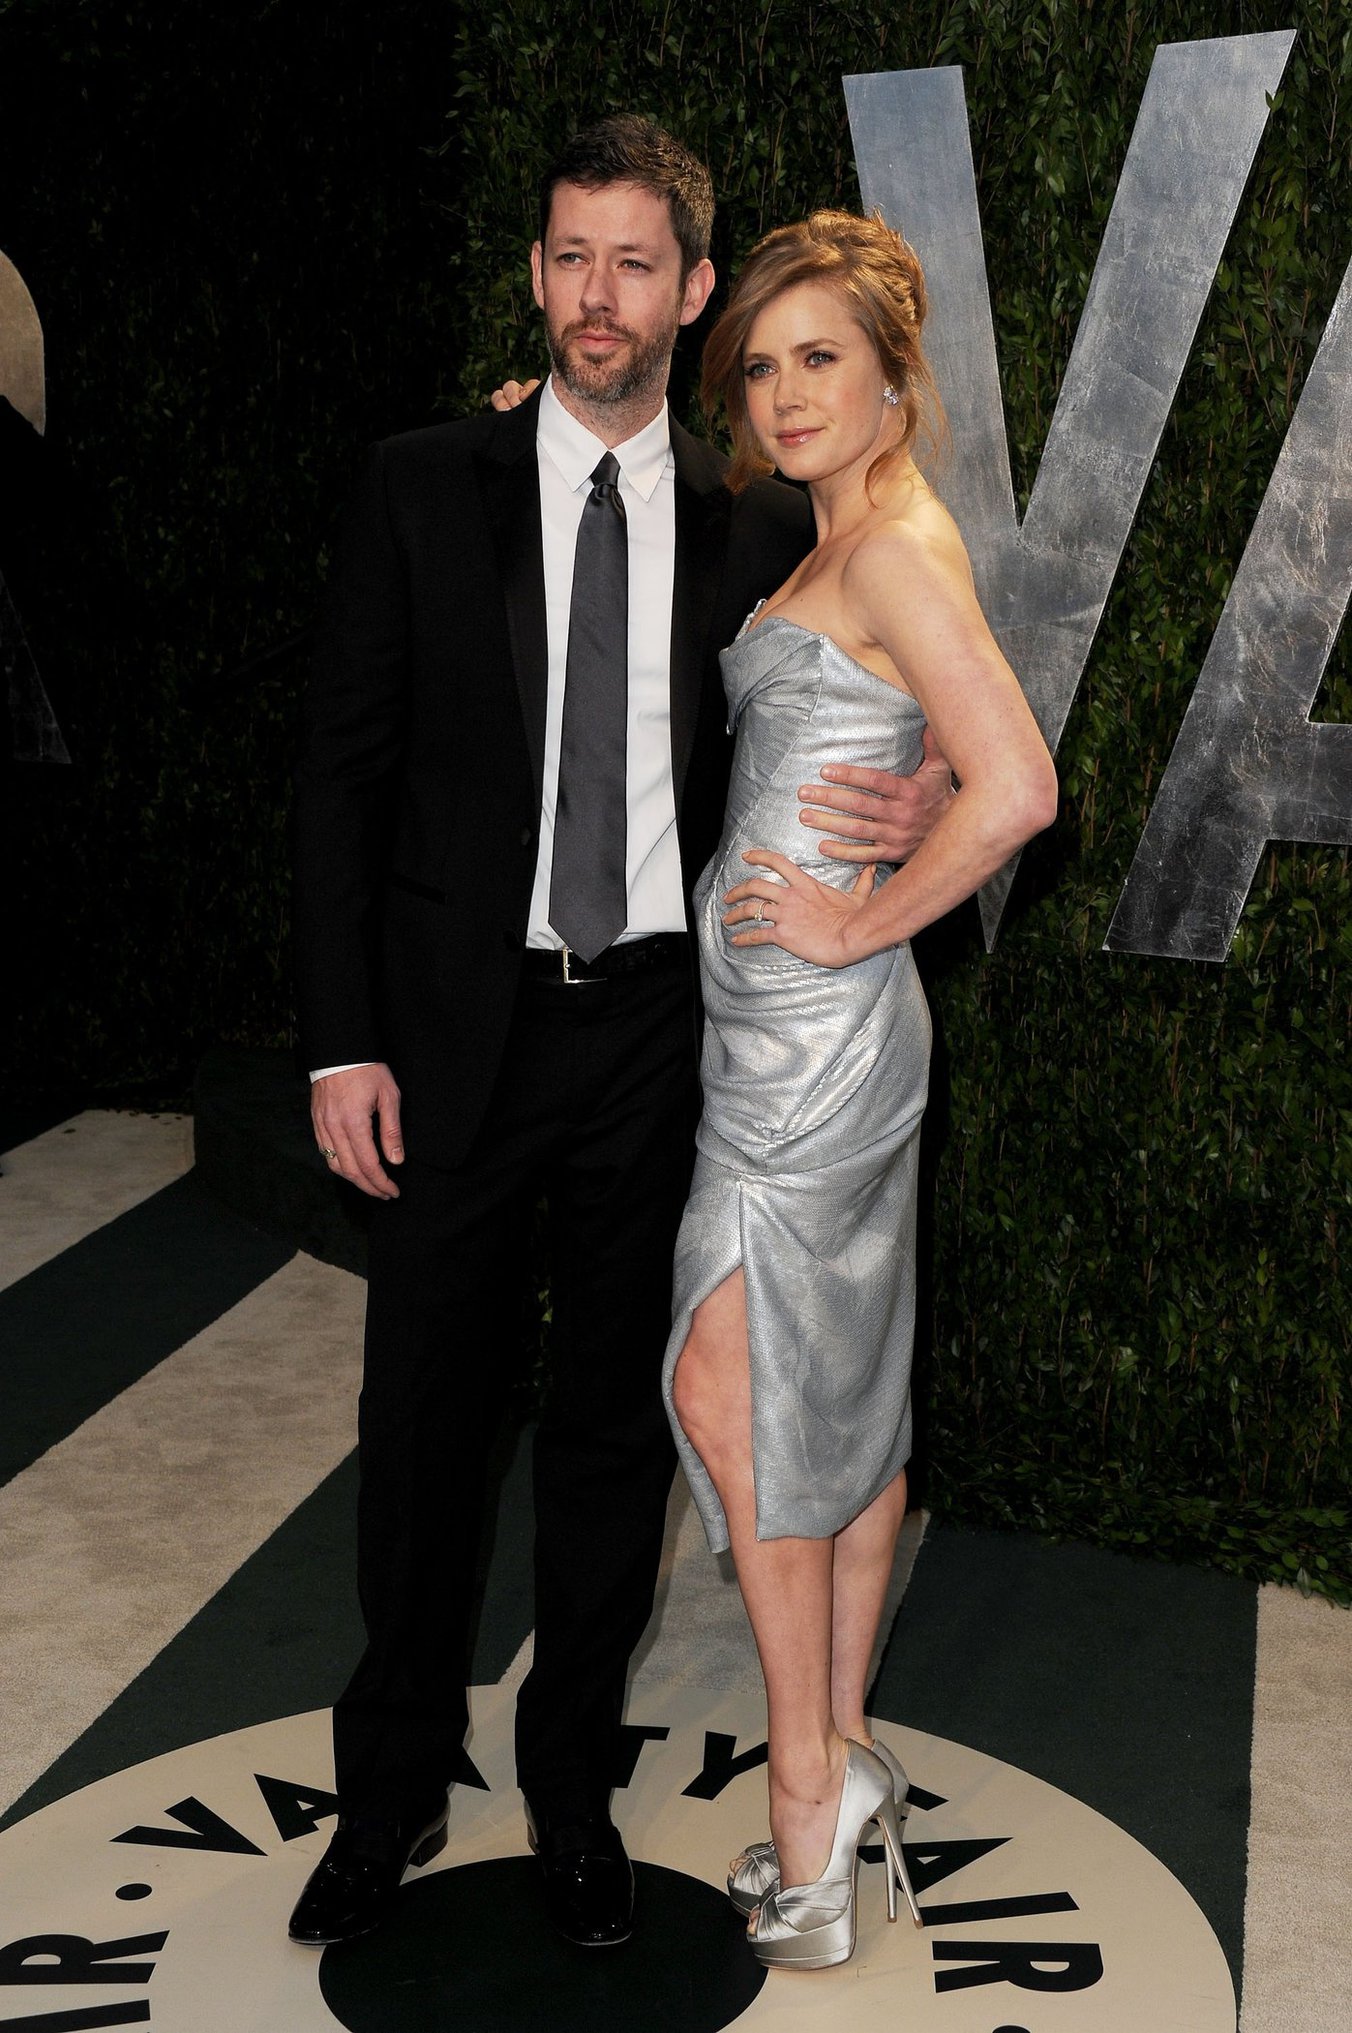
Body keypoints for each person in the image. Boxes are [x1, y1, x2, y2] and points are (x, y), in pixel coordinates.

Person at [288, 121, 953, 1953]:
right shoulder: (425, 482)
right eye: (570, 258)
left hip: (664, 1037)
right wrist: (341, 1038)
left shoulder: (760, 521)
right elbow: (340, 781)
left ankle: (572, 1792)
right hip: (446, 1041)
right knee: (421, 1424)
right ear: (538, 275)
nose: (599, 296)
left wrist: (918, 805)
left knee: (611, 1437)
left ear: (692, 288)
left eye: (636, 264)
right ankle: (392, 1793)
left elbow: (912, 683)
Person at [663, 210, 1058, 1970]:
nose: (784, 391)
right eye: (760, 363)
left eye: (820, 356)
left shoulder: (892, 546)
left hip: (812, 1056)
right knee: (830, 1399)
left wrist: (856, 926)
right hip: (778, 1046)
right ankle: (840, 1769)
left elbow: (1020, 786)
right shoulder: (841, 531)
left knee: (730, 1383)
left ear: (896, 378)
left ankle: (806, 1808)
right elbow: (927, 759)